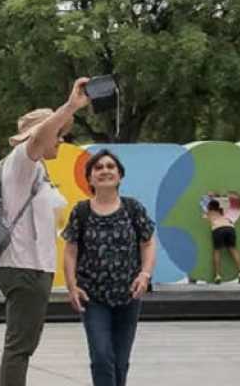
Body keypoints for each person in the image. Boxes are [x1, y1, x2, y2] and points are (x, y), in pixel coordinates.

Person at [0, 77, 90, 386]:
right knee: (19, 348)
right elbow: (38, 138)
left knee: (23, 345)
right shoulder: (22, 161)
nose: (61, 139)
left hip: (31, 268)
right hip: (25, 268)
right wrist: (71, 106)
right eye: (57, 133)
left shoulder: (35, 169)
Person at [62, 149, 157, 386]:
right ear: (90, 178)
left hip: (129, 295)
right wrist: (72, 287)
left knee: (120, 362)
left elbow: (147, 243)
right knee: (102, 356)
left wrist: (145, 275)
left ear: (120, 175)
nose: (105, 171)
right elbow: (70, 251)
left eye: (110, 166)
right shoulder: (81, 211)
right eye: (98, 168)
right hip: (92, 297)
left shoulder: (133, 208)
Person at [204, 198, 240, 284]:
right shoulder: (222, 213)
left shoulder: (209, 214)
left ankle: (217, 275)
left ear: (209, 207)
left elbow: (202, 220)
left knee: (217, 251)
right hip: (230, 228)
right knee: (233, 249)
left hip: (218, 229)